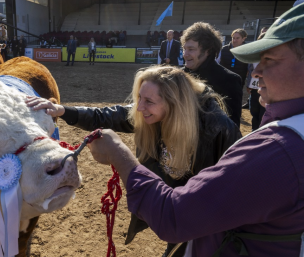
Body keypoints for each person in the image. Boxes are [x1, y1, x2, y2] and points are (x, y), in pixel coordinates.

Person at [76, 4, 304, 256]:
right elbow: (123, 114)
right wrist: (67, 112)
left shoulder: (278, 150)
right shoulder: (288, 130)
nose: (257, 71)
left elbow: (176, 216)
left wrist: (119, 153)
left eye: (269, 59)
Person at [26, 65, 241, 257]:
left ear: (174, 103)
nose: (139, 108)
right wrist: (64, 111)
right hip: (175, 216)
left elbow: (237, 187)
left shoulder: (218, 129)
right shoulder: (152, 114)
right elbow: (107, 115)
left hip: (208, 228)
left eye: (148, 101)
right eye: (140, 98)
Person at [182, 22, 243, 127]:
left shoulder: (229, 80)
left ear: (207, 51)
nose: (185, 54)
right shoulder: (179, 75)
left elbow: (231, 127)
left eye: (191, 49)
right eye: (184, 49)